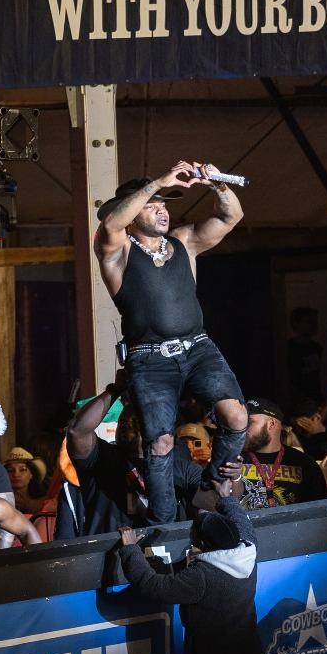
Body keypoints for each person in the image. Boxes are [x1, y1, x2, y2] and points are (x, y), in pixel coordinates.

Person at [94, 163, 250, 525]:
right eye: (152, 204)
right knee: (160, 443)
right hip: (151, 359)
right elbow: (112, 224)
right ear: (133, 210)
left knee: (237, 416)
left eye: (165, 203)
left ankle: (213, 485)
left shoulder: (183, 242)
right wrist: (158, 182)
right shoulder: (117, 250)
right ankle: (164, 524)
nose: (161, 208)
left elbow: (231, 217)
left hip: (197, 348)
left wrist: (217, 184)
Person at [110, 478, 263, 654]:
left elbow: (153, 585)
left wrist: (130, 550)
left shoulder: (201, 576)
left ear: (200, 544)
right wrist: (226, 498)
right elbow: (242, 523)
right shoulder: (248, 549)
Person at [232, 399, 327, 509]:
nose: (243, 428)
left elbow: (319, 512)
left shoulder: (305, 464)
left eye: (249, 422)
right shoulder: (234, 460)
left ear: (271, 424)